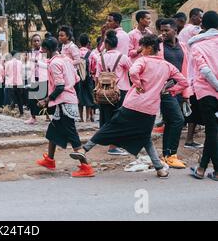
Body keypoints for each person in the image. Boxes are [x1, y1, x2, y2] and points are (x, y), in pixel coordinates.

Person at [70, 34, 188, 179]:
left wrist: (137, 84)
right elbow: (184, 82)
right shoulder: (167, 66)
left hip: (133, 104)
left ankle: (84, 149)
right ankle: (159, 168)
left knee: (110, 127)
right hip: (150, 108)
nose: (141, 50)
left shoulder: (143, 60)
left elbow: (132, 71)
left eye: (142, 47)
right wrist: (170, 90)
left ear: (149, 47)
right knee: (145, 137)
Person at [35, 37, 91, 177]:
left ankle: (86, 167)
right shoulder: (66, 60)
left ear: (47, 49)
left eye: (43, 50)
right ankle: (50, 159)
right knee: (53, 130)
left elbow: (60, 86)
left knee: (72, 135)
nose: (42, 52)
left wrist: (46, 100)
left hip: (64, 101)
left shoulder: (54, 64)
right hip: (67, 100)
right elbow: (76, 79)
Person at [158, 18, 193, 168]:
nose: (163, 33)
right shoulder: (158, 47)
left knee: (171, 122)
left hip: (180, 89)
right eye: (162, 30)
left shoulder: (184, 46)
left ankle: (167, 155)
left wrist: (186, 94)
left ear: (175, 31)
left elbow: (187, 70)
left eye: (166, 30)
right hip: (165, 90)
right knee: (178, 121)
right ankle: (171, 155)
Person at [189, 11, 218, 181]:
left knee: (212, 130)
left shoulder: (197, 45)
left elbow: (204, 70)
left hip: (205, 91)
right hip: (212, 90)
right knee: (213, 131)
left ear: (203, 26)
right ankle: (201, 168)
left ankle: (214, 170)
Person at [95, 30, 132, 156]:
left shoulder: (101, 58)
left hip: (104, 91)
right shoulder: (123, 58)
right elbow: (132, 72)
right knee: (119, 117)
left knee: (107, 117)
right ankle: (113, 146)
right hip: (120, 91)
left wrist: (96, 92)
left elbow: (97, 77)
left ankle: (111, 142)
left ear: (106, 44)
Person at [183, 9, 205, 149]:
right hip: (199, 79)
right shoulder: (195, 32)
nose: (201, 20)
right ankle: (189, 140)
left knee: (194, 110)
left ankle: (190, 139)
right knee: (196, 111)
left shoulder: (184, 32)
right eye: (200, 17)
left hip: (192, 77)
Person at [25, 34, 49, 124]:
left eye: (38, 40)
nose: (36, 42)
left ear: (41, 41)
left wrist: (37, 62)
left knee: (45, 97)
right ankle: (33, 117)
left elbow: (47, 65)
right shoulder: (30, 53)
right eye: (34, 41)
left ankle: (48, 116)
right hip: (33, 78)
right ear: (32, 42)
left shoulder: (44, 52)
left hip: (43, 77)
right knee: (32, 98)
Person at [76, 33, 95, 122]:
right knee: (88, 96)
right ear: (88, 43)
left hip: (78, 78)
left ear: (79, 43)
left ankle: (80, 117)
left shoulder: (76, 53)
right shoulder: (91, 54)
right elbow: (94, 66)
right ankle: (87, 117)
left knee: (79, 96)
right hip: (88, 78)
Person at [5, 50, 25, 117]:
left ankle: (12, 112)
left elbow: (6, 73)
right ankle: (21, 112)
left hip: (11, 83)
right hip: (19, 83)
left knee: (12, 98)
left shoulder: (8, 63)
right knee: (20, 98)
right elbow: (22, 72)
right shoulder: (20, 63)